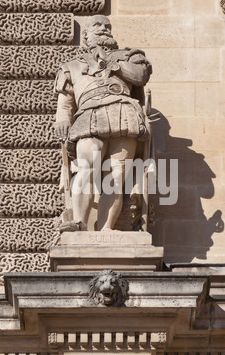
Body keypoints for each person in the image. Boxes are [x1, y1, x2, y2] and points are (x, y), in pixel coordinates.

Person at [54, 15, 152, 232]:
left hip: (123, 113)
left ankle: (106, 227)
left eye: (107, 26)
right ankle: (79, 222)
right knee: (86, 168)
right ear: (86, 34)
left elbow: (140, 76)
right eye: (96, 26)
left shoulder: (129, 56)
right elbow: (65, 103)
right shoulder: (71, 66)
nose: (103, 29)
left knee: (116, 175)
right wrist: (62, 120)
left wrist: (111, 63)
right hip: (88, 115)